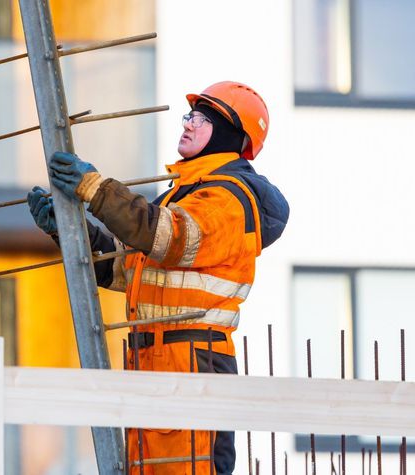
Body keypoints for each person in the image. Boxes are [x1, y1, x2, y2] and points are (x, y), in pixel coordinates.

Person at [27, 81, 289, 475]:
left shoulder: (230, 200)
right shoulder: (182, 195)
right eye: (190, 116)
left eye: (201, 119)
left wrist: (96, 190)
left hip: (192, 360)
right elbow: (124, 269)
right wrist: (68, 232)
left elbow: (168, 237)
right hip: (155, 358)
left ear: (231, 135)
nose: (188, 124)